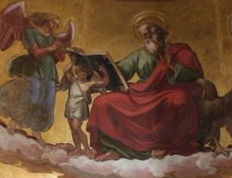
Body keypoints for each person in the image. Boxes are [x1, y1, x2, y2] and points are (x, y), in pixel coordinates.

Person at [86, 13, 205, 159]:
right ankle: (113, 149)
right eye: (144, 36)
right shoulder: (140, 54)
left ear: (162, 33)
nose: (147, 38)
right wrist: (102, 68)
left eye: (151, 33)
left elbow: (193, 75)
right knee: (102, 102)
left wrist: (169, 65)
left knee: (180, 99)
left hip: (167, 91)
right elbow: (120, 71)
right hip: (140, 93)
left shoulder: (179, 51)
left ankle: (164, 148)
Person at [0, 11, 67, 143]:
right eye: (53, 23)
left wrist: (60, 51)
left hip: (49, 71)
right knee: (32, 97)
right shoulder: (31, 32)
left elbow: (54, 57)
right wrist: (51, 48)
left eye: (57, 25)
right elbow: (36, 53)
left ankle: (37, 130)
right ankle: (14, 121)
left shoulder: (51, 37)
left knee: (48, 102)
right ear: (47, 19)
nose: (55, 27)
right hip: (36, 68)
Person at [57, 52, 109, 155]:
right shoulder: (73, 81)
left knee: (77, 127)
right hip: (70, 105)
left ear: (87, 74)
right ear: (77, 73)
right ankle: (77, 148)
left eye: (85, 72)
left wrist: (105, 72)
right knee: (72, 129)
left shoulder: (89, 83)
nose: (82, 74)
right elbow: (65, 70)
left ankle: (87, 149)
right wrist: (73, 62)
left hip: (80, 107)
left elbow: (103, 82)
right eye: (80, 72)